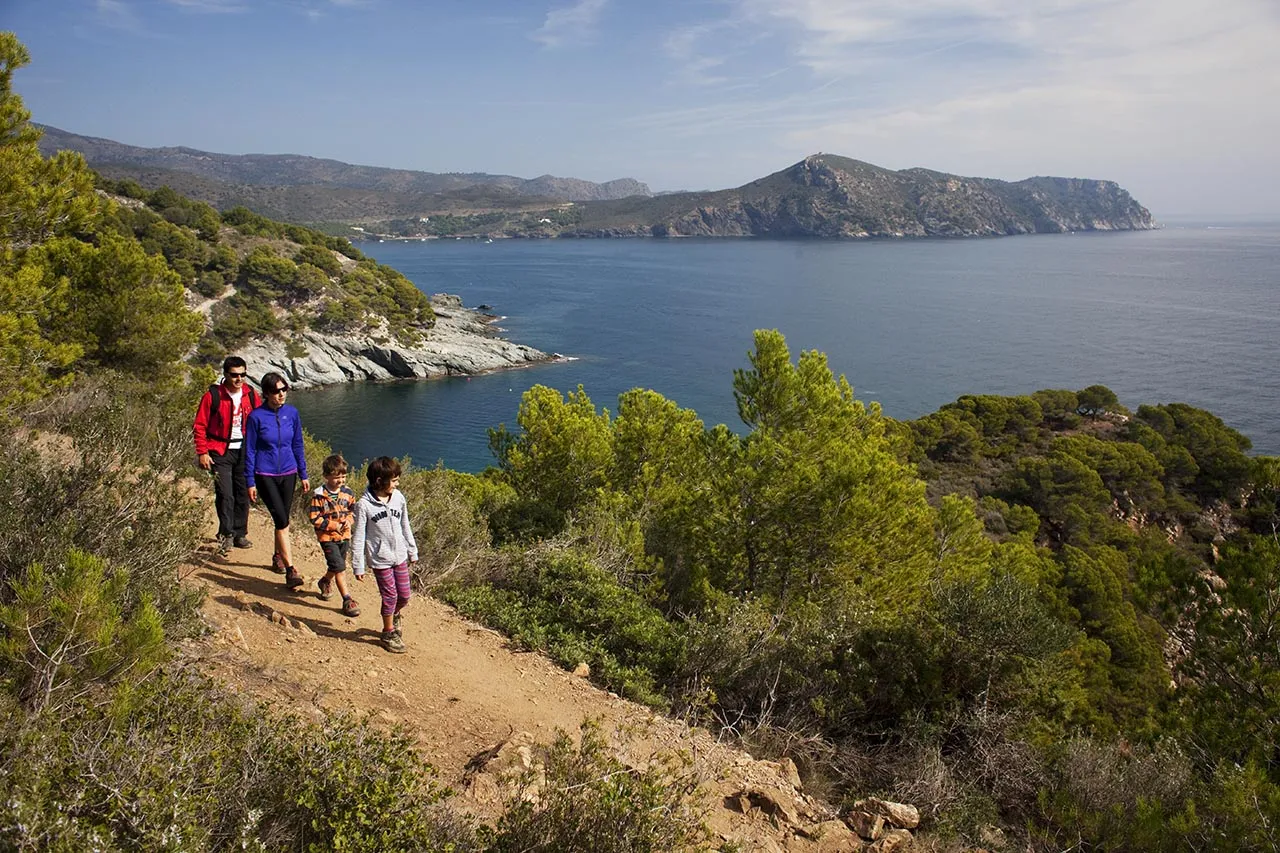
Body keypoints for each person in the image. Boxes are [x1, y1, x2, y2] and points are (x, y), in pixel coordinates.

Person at [245, 371, 310, 590]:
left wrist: (303, 474)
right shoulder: (256, 417)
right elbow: (250, 450)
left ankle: (277, 556)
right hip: (265, 474)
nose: (281, 394)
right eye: (276, 391)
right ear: (266, 393)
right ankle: (291, 570)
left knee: (281, 518)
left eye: (284, 389)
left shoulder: (292, 413)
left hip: (289, 472)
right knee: (282, 521)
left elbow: (298, 444)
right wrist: (250, 481)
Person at [193, 356, 260, 557]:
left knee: (242, 493)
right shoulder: (213, 396)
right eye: (234, 375)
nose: (239, 379)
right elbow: (200, 425)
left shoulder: (250, 394)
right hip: (219, 451)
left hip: (244, 450)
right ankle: (226, 534)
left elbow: (259, 419)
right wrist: (202, 452)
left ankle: (240, 533)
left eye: (243, 375)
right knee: (225, 494)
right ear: (225, 375)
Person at [351, 456, 418, 654]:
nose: (397, 484)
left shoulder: (398, 498)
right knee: (390, 596)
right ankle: (388, 632)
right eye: (394, 480)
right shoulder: (364, 505)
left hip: (400, 556)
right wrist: (358, 564)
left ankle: (394, 614)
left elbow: (405, 525)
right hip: (380, 559)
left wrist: (412, 550)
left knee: (404, 596)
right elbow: (359, 536)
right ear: (380, 481)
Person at [308, 454, 361, 618]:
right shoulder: (319, 496)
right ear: (326, 476)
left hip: (344, 536)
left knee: (337, 565)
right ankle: (347, 599)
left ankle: (325, 581)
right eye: (337, 477)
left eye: (343, 476)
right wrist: (334, 525)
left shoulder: (348, 493)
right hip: (327, 538)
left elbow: (353, 512)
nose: (341, 480)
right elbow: (315, 518)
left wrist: (348, 521)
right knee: (339, 567)